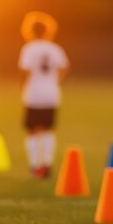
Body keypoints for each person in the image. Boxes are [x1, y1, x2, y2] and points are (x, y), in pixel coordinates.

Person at [18, 11, 69, 179]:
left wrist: (23, 87)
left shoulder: (29, 48)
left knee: (32, 131)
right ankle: (46, 164)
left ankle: (34, 165)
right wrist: (55, 81)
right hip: (51, 94)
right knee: (47, 130)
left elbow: (24, 71)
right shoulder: (55, 48)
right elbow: (64, 68)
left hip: (33, 93)